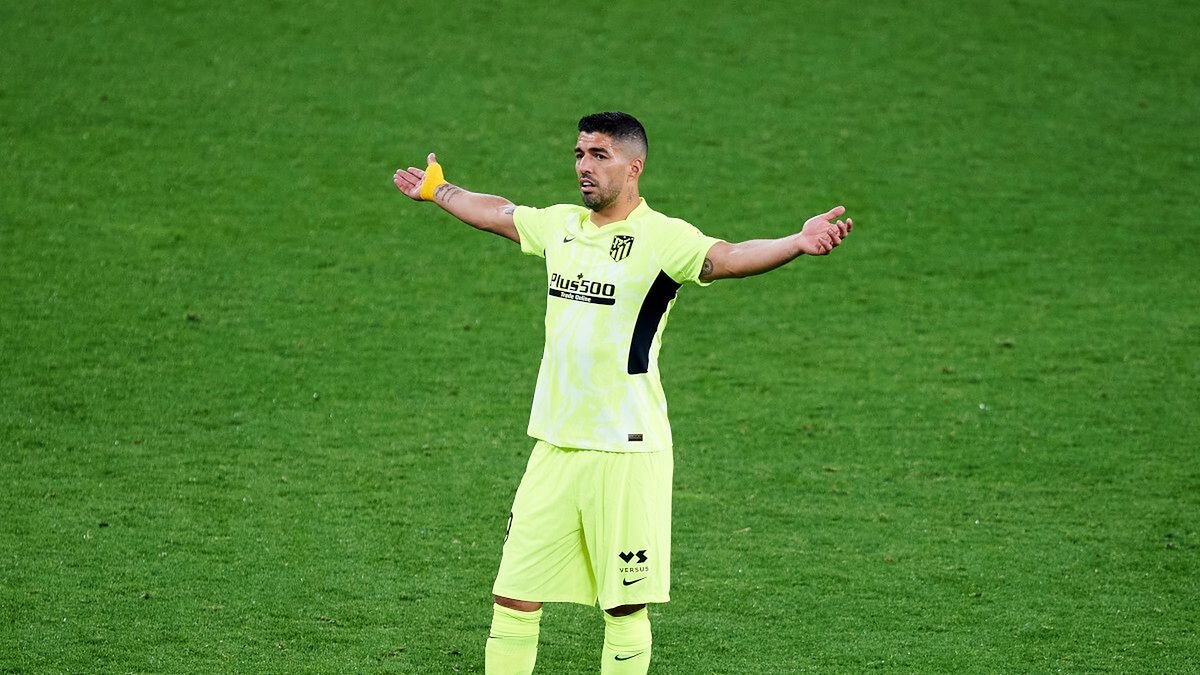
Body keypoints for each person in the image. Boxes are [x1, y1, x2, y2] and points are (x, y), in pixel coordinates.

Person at [392, 112, 852, 675]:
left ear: (634, 168)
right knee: (514, 595)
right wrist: (440, 190)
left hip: (627, 451)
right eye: (579, 154)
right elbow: (499, 212)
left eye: (599, 155)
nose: (584, 167)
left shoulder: (663, 238)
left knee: (623, 606)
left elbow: (728, 257)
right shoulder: (561, 226)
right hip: (555, 445)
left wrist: (796, 243)